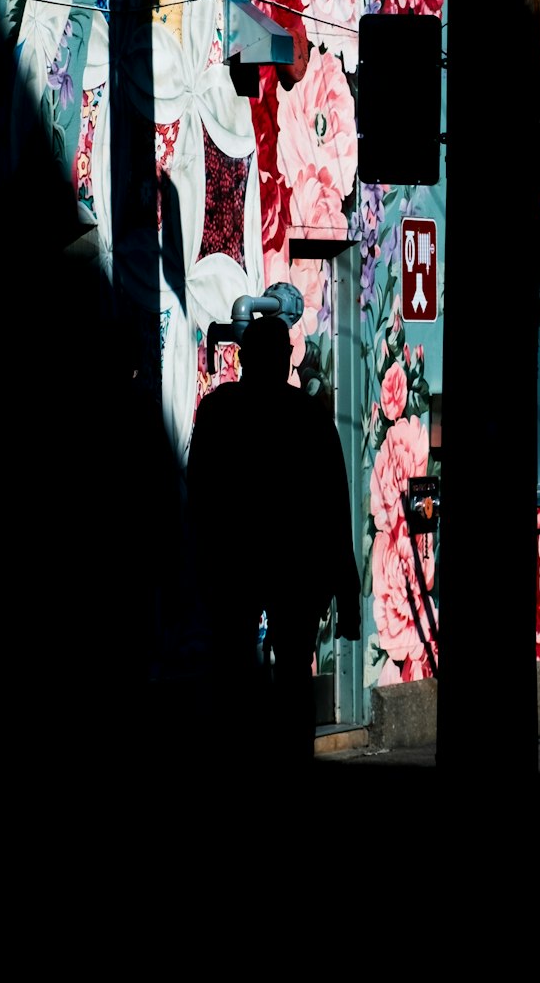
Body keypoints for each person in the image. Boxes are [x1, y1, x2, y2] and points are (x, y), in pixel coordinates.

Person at [186, 313, 361, 775]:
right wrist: (347, 591)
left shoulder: (220, 410)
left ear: (244, 359)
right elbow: (333, 505)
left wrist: (201, 567)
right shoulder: (308, 417)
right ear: (285, 360)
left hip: (234, 565)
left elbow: (199, 495)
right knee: (293, 680)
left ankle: (237, 760)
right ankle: (290, 765)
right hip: (295, 569)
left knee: (233, 671)